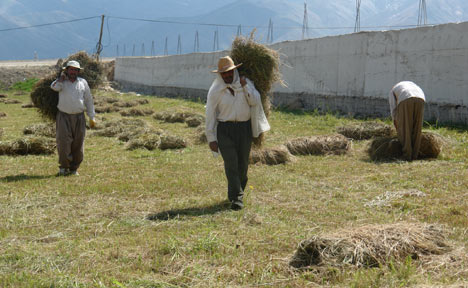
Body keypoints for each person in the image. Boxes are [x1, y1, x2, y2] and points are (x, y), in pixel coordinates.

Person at [205, 56, 261, 210]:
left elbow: (255, 101)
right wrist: (211, 138)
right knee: (231, 164)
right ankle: (236, 198)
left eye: (229, 73)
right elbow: (210, 114)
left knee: (242, 165)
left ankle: (239, 191)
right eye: (224, 74)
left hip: (244, 130)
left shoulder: (246, 84)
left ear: (234, 71)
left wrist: (245, 87)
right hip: (225, 130)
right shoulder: (216, 91)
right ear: (220, 75)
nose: (227, 76)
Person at [50, 60, 96, 176]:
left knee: (78, 142)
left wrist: (92, 116)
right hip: (63, 116)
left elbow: (88, 100)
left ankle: (74, 168)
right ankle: (63, 167)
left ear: (78, 72)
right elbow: (54, 88)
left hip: (79, 117)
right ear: (66, 70)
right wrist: (61, 78)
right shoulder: (61, 83)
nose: (73, 72)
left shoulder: (83, 82)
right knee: (64, 142)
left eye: (75, 70)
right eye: (71, 69)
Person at [389, 81, 426, 161]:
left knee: (405, 128)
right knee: (417, 127)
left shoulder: (392, 92)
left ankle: (407, 155)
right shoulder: (406, 85)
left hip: (405, 97)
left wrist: (397, 126)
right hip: (421, 97)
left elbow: (393, 111)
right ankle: (415, 154)